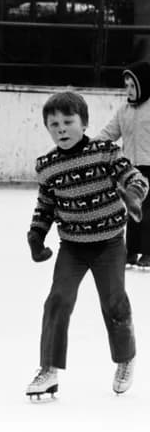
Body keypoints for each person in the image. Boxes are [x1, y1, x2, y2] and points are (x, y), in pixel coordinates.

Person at [25, 91, 147, 399]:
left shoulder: (105, 152)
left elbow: (137, 177)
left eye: (68, 122)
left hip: (109, 244)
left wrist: (132, 194)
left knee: (114, 303)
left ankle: (125, 358)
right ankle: (49, 369)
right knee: (57, 301)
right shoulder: (47, 166)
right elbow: (45, 207)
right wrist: (36, 235)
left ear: (84, 123)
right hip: (73, 248)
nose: (61, 129)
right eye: (54, 124)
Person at [95, 61, 150, 269]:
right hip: (131, 168)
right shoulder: (124, 111)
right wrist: (89, 146)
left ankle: (148, 252)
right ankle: (132, 250)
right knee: (132, 209)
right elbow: (108, 133)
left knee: (149, 211)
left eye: (133, 86)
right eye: (126, 86)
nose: (128, 90)